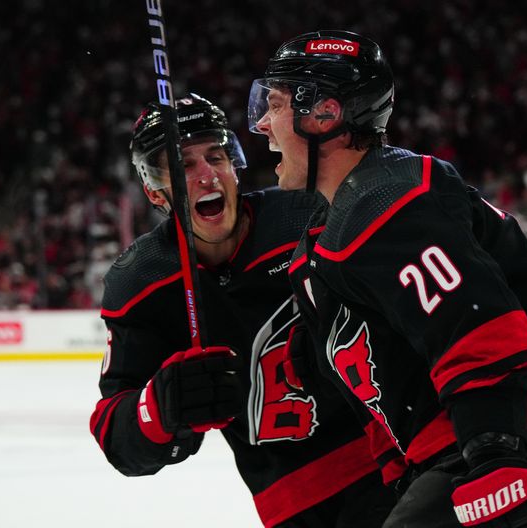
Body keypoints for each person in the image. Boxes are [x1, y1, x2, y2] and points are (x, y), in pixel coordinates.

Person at [248, 31, 527, 527]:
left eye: (274, 105)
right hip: (470, 444)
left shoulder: (386, 202)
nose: (262, 124)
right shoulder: (331, 233)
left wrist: (495, 453)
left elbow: (473, 322)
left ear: (324, 115)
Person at [89, 94, 401, 528]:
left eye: (214, 156)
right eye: (181, 165)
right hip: (293, 503)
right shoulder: (142, 281)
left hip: (399, 460)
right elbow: (116, 435)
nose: (204, 176)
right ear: (154, 191)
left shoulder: (309, 214)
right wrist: (158, 408)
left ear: (234, 165)